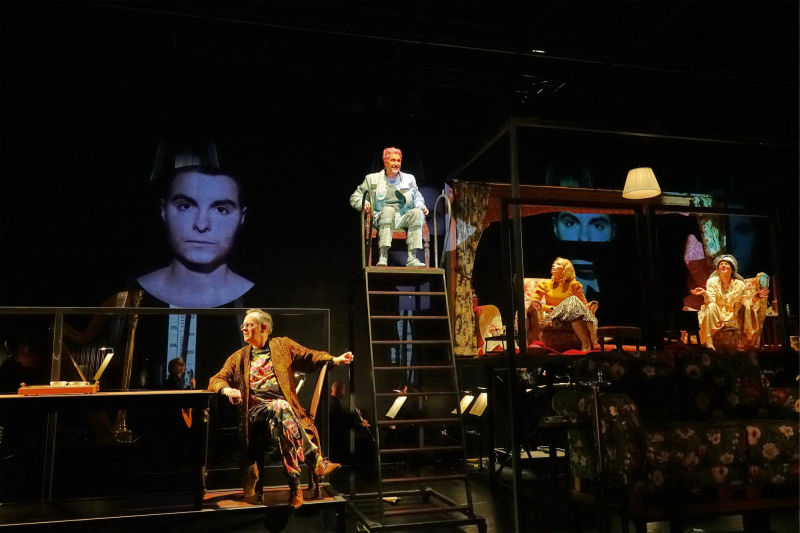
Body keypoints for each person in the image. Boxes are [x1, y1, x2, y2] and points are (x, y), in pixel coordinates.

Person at [208, 308, 354, 508]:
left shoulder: (282, 346)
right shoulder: (240, 356)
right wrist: (227, 390)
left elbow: (309, 355)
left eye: (249, 324)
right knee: (281, 406)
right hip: (257, 414)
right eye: (243, 325)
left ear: (264, 327)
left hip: (284, 414)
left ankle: (295, 488)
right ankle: (315, 461)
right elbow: (216, 379)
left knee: (283, 426)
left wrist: (334, 360)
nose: (244, 328)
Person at [136, 165, 254, 308]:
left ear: (242, 217)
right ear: (163, 211)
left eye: (221, 210)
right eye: (185, 206)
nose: (201, 225)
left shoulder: (262, 299)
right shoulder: (129, 295)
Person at [350, 147, 428, 267]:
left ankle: (412, 257)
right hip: (381, 217)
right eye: (393, 160)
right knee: (388, 210)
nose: (396, 163)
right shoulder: (372, 179)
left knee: (417, 212)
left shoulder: (409, 179)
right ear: (385, 162)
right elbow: (355, 197)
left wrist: (420, 205)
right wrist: (364, 203)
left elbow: (417, 196)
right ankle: (383, 256)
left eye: (398, 160)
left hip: (402, 217)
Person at [691, 254, 768, 350]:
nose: (723, 265)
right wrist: (704, 294)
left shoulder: (740, 284)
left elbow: (744, 302)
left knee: (745, 308)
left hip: (732, 314)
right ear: (718, 270)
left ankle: (744, 340)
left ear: (731, 270)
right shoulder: (711, 282)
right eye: (721, 264)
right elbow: (711, 301)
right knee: (711, 306)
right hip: (715, 314)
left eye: (726, 264)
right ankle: (709, 341)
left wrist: (754, 299)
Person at [525, 257, 598, 352]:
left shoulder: (574, 285)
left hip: (570, 315)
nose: (554, 265)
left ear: (565, 270)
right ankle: (593, 336)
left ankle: (585, 342)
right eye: (554, 263)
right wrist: (551, 308)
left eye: (558, 264)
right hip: (554, 314)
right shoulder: (545, 284)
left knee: (575, 308)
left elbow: (583, 304)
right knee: (573, 300)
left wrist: (583, 311)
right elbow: (535, 303)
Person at [328, 380, 372, 466]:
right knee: (364, 444)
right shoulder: (335, 404)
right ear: (339, 390)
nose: (344, 393)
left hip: (335, 437)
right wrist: (360, 424)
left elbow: (342, 418)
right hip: (337, 439)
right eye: (343, 390)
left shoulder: (332, 402)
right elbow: (342, 422)